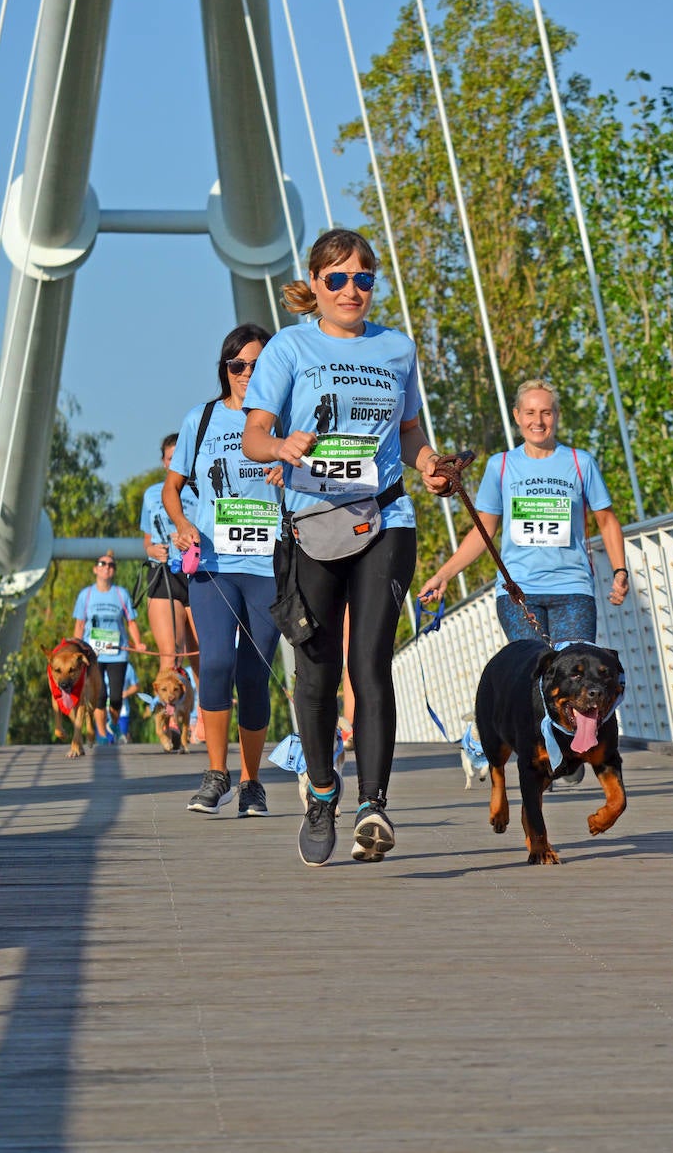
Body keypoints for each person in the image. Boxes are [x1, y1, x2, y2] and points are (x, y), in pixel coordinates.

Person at [242, 227, 452, 868]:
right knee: (316, 676)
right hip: (312, 524)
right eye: (337, 279)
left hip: (386, 519)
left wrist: (429, 466)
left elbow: (412, 430)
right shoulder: (288, 347)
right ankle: (322, 796)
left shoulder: (397, 348)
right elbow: (254, 434)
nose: (352, 290)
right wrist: (280, 448)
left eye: (364, 278)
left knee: (371, 667)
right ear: (316, 285)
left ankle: (373, 807)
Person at [163, 323, 284, 818]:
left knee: (255, 675)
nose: (247, 374)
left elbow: (311, 478)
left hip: (267, 566)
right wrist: (181, 523)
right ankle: (216, 774)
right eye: (238, 365)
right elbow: (173, 488)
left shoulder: (285, 420)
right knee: (214, 663)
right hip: (213, 564)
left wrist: (289, 470)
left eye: (257, 365)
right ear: (225, 369)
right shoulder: (203, 418)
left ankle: (252, 783)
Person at [418, 377, 629, 640]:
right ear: (517, 416)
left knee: (574, 675)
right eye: (529, 412)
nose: (537, 422)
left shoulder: (581, 462)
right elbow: (483, 531)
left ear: (556, 415)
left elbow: (606, 521)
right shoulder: (501, 465)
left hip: (573, 589)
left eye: (546, 413)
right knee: (532, 671)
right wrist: (444, 575)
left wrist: (620, 570)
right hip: (518, 591)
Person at [139, 432, 202, 695]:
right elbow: (146, 539)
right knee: (171, 652)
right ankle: (170, 719)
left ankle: (204, 715)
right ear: (164, 462)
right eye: (170, 457)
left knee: (203, 655)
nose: (175, 461)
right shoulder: (152, 494)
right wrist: (152, 548)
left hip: (196, 572)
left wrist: (190, 539)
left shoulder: (201, 490)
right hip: (163, 573)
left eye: (180, 456)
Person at [72, 552, 146, 742]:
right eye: (102, 564)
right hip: (93, 654)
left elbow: (131, 622)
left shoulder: (121, 594)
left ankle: (113, 724)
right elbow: (80, 624)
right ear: (95, 569)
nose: (107, 567)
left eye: (111, 565)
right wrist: (74, 650)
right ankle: (103, 736)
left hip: (117, 654)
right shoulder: (86, 595)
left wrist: (138, 643)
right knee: (99, 696)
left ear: (114, 571)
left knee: (115, 698)